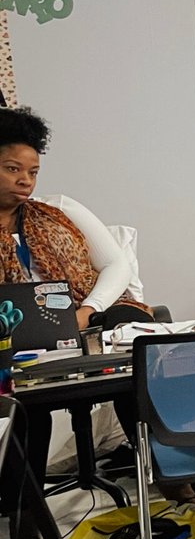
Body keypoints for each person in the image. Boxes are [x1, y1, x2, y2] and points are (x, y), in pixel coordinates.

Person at [0, 106, 152, 510]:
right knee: (27, 408)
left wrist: (86, 310)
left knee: (135, 342)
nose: (25, 180)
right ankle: (24, 518)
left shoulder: (59, 210)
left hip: (88, 318)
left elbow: (116, 264)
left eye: (33, 172)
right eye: (13, 169)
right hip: (16, 337)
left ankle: (173, 478)